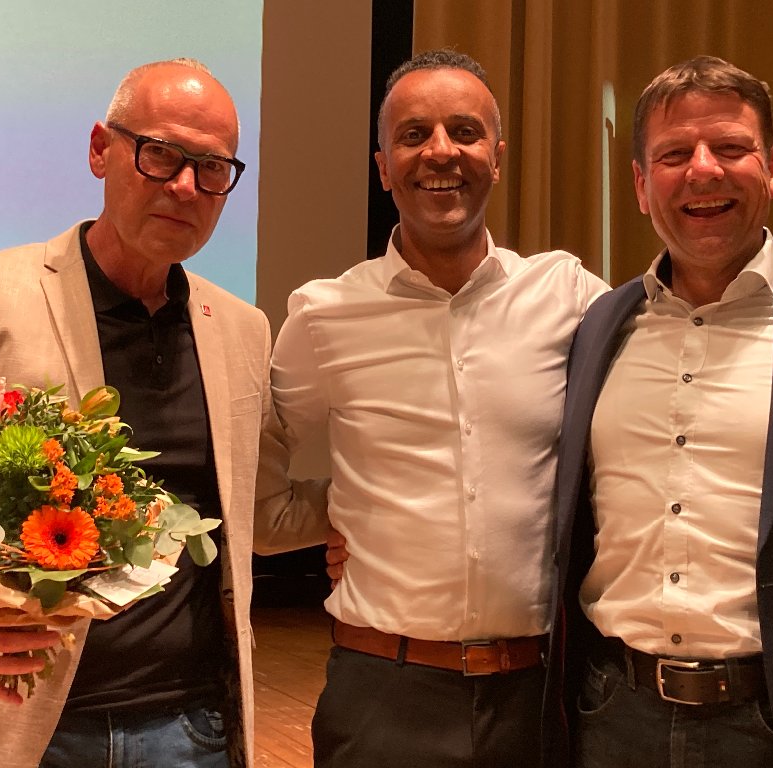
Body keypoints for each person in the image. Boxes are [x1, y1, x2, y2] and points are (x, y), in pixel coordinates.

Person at [0, 58, 321, 768]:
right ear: (100, 149)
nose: (185, 185)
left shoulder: (240, 328)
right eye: (161, 154)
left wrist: (393, 512)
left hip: (189, 729)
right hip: (8, 729)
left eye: (212, 168)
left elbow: (257, 514)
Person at [544, 56, 773, 768]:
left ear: (772, 168)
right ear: (641, 185)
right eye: (674, 154)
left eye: (731, 147)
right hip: (613, 716)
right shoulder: (598, 325)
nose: (703, 170)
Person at [259, 49, 608, 767]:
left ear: (497, 158)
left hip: (536, 698)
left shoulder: (567, 295)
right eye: (414, 135)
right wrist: (348, 513)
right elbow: (257, 483)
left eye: (465, 131)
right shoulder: (324, 316)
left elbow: (658, 392)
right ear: (383, 167)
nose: (441, 151)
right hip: (381, 697)